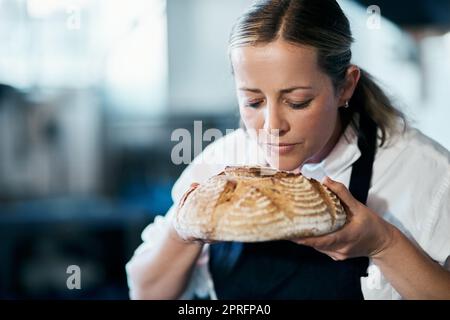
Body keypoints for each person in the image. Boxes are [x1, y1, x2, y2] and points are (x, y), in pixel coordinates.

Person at [126, 0, 450, 299]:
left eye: (297, 102)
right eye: (253, 102)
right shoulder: (221, 164)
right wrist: (183, 232)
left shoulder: (423, 172)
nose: (271, 126)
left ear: (345, 87)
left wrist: (384, 243)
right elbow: (147, 293)